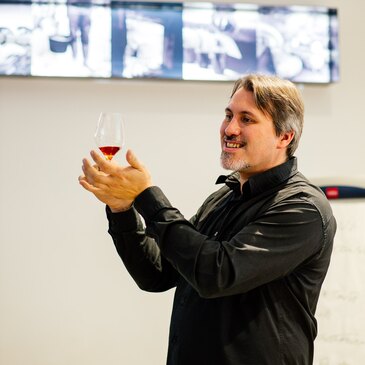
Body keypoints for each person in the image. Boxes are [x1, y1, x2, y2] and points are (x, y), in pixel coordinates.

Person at [79, 74, 336, 365]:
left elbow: (217, 273)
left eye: (247, 119)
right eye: (228, 115)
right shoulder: (223, 197)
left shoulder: (302, 209)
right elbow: (157, 273)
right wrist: (122, 209)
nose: (230, 129)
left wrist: (147, 196)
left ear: (284, 136)